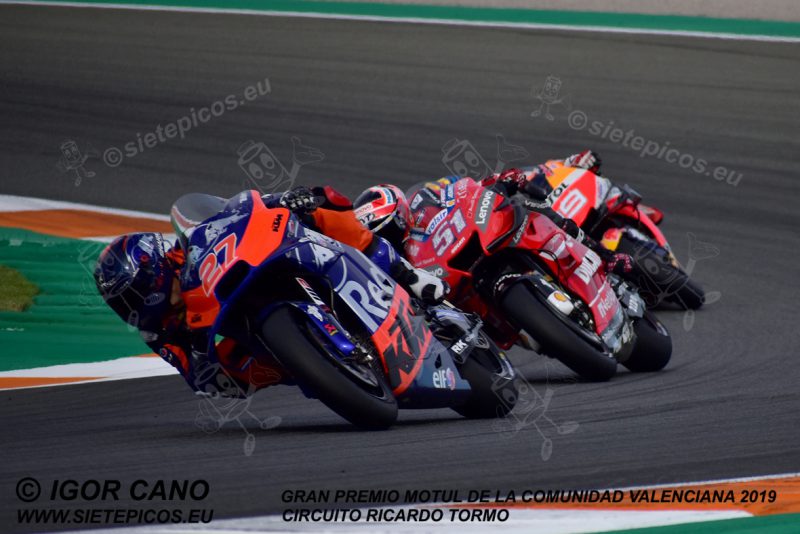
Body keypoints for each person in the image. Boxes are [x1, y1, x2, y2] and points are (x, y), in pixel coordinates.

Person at [93, 186, 447, 398]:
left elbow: (231, 212)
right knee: (233, 366)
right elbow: (203, 382)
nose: (132, 307)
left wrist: (281, 201)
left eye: (132, 295)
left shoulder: (185, 249)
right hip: (249, 332)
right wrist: (206, 364)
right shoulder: (158, 331)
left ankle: (408, 274)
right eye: (122, 304)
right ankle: (317, 364)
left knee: (320, 210)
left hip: (259, 262)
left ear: (153, 269)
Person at [353, 150, 633, 277]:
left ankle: (604, 256)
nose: (391, 235)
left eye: (391, 225)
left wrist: (497, 181)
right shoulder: (397, 262)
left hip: (480, 230)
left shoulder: (423, 199)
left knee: (530, 204)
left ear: (400, 210)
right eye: (383, 234)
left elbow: (464, 186)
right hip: (460, 277)